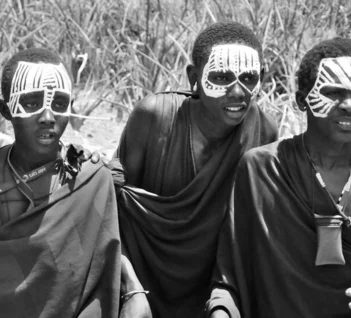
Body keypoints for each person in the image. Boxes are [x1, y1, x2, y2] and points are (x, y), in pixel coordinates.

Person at [233, 37, 351, 318]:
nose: (349, 105)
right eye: (333, 92)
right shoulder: (263, 169)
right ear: (301, 101)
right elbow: (234, 267)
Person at [0, 48, 122, 318]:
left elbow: (103, 269)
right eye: (32, 103)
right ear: (5, 109)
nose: (48, 117)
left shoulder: (90, 178)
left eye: (59, 103)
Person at [112, 22, 278, 318]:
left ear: (262, 78)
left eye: (249, 78)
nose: (237, 92)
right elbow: (110, 209)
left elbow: (247, 238)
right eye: (221, 77)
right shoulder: (155, 117)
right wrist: (132, 290)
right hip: (137, 279)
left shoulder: (262, 133)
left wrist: (224, 303)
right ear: (194, 77)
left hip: (212, 292)